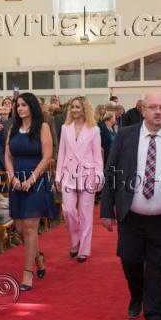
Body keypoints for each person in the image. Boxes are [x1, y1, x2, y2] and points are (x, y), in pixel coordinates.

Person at [101, 93, 161, 320]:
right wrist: (106, 210)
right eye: (153, 107)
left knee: (160, 267)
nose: (158, 112)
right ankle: (137, 295)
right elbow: (111, 171)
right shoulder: (126, 134)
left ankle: (156, 314)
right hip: (131, 215)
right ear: (143, 110)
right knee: (130, 260)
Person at [6, 92, 58, 291]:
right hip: (17, 180)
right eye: (18, 105)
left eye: (24, 105)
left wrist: (31, 180)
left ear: (32, 107)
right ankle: (37, 257)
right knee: (19, 229)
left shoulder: (42, 127)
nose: (20, 108)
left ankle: (28, 272)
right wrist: (13, 178)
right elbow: (8, 157)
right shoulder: (13, 128)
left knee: (29, 226)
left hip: (36, 180)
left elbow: (47, 157)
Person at [56, 96, 102, 262]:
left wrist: (99, 177)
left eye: (77, 107)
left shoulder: (94, 130)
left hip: (87, 174)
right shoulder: (65, 128)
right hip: (68, 174)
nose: (74, 110)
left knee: (85, 213)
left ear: (85, 109)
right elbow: (61, 152)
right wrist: (58, 175)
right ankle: (75, 240)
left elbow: (97, 156)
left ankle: (84, 249)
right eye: (73, 107)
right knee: (68, 210)